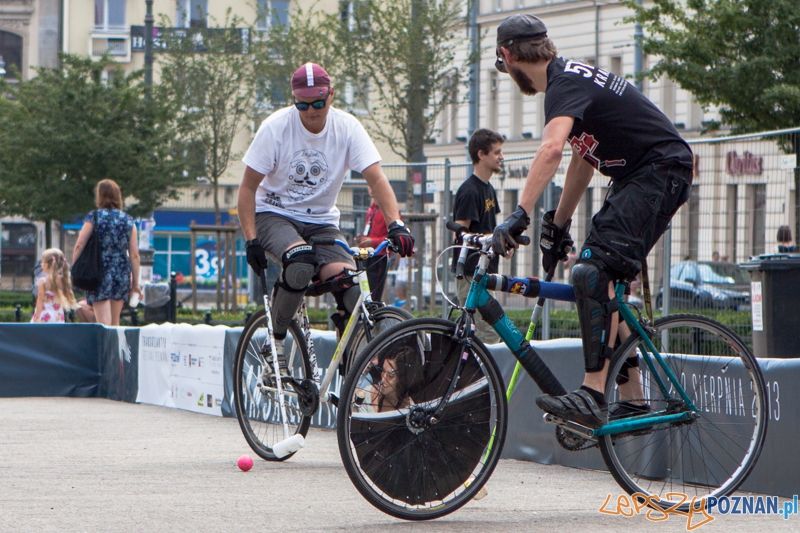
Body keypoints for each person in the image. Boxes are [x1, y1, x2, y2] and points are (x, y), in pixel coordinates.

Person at [492, 14, 693, 428]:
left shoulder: (563, 84)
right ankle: (633, 399)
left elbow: (550, 150)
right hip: (640, 175)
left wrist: (518, 214)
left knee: (590, 272)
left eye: (503, 66)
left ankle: (591, 393)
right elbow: (582, 158)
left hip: (658, 171)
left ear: (507, 55)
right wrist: (558, 223)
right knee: (604, 283)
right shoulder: (570, 80)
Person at [238, 62, 414, 374]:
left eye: (318, 103)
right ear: (294, 101)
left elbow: (377, 179)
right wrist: (251, 240)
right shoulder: (275, 128)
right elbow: (248, 188)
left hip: (321, 222)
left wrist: (396, 223)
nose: (311, 111)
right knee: (300, 262)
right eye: (302, 105)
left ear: (331, 95)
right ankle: (274, 344)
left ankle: (347, 373)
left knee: (352, 288)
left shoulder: (347, 128)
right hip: (273, 213)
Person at [451, 128, 505, 344]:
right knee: (488, 336)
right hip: (472, 273)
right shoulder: (469, 191)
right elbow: (461, 236)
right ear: (481, 154)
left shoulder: (489, 189)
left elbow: (489, 228)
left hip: (485, 272)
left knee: (486, 333)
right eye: (496, 152)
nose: (501, 157)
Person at [73, 179, 143, 326]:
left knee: (103, 322)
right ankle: (114, 349)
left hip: (98, 271)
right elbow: (135, 255)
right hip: (121, 272)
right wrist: (136, 283)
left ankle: (104, 349)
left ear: (99, 196)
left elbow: (79, 244)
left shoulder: (94, 217)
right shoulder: (128, 220)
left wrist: (76, 269)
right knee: (114, 322)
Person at [355, 186, 390, 301]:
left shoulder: (388, 210)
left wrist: (372, 241)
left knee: (374, 292)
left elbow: (392, 238)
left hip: (379, 255)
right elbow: (370, 231)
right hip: (367, 253)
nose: (371, 188)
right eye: (369, 185)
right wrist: (363, 239)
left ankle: (373, 315)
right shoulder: (371, 210)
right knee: (363, 288)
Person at [30, 248, 78, 323]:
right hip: (58, 316)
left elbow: (40, 299)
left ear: (46, 265)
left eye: (42, 262)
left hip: (44, 315)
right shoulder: (63, 280)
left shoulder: (43, 281)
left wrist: (37, 317)